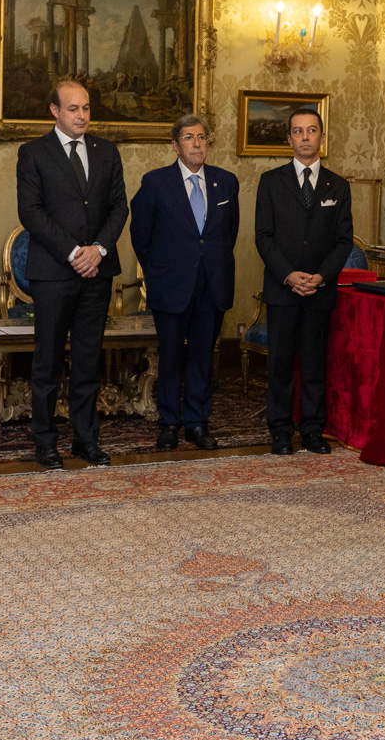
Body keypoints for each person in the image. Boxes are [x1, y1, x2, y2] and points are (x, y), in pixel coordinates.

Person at [16, 78, 128, 470]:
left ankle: (86, 438)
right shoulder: (33, 153)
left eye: (86, 108)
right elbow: (30, 213)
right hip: (53, 272)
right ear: (54, 111)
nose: (82, 116)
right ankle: (45, 443)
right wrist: (72, 252)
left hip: (98, 271)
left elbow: (119, 208)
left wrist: (97, 250)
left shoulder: (107, 151)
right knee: (47, 361)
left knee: (87, 358)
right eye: (73, 109)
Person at [130, 114, 239, 451]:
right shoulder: (155, 183)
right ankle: (168, 423)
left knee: (203, 357)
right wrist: (160, 271)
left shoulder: (226, 181)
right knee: (171, 356)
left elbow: (228, 234)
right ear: (175, 146)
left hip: (212, 284)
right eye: (189, 138)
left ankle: (196, 422)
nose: (197, 143)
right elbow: (140, 237)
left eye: (203, 137)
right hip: (171, 285)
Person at [254, 107, 354, 454]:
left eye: (312, 131)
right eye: (298, 131)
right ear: (289, 139)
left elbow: (344, 241)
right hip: (283, 290)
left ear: (322, 137)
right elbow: (263, 237)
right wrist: (288, 275)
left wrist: (321, 276)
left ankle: (312, 430)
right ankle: (280, 430)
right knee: (280, 363)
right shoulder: (270, 182)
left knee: (314, 364)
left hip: (319, 290)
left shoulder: (338, 186)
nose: (305, 137)